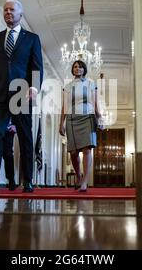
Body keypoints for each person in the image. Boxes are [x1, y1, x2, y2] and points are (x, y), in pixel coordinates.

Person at [0, 0, 43, 193]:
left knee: (25, 137)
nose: (8, 12)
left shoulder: (32, 38)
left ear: (20, 15)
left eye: (12, 10)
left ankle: (28, 180)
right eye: (5, 10)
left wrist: (33, 88)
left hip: (21, 94)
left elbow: (37, 66)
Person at [59, 61, 101, 192]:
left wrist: (99, 118)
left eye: (80, 67)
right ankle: (79, 176)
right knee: (73, 152)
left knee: (87, 150)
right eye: (75, 67)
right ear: (73, 70)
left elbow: (95, 102)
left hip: (87, 116)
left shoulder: (90, 83)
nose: (78, 69)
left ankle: (85, 182)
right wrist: (61, 123)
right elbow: (65, 106)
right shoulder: (67, 86)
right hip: (72, 119)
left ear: (84, 69)